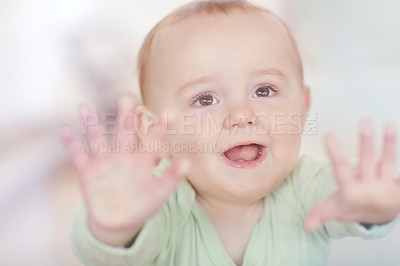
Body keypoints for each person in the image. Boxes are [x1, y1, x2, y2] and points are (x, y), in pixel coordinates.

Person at [61, 1, 400, 265]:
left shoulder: (304, 184)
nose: (241, 115)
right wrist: (114, 225)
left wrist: (372, 203)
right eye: (205, 99)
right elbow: (104, 251)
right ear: (156, 133)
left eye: (264, 91)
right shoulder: (160, 197)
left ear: (301, 108)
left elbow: (345, 191)